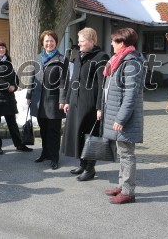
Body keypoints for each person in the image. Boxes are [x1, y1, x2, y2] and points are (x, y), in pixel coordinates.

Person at [102, 28, 145, 204]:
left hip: (125, 119)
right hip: (118, 114)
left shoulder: (131, 63)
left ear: (123, 43)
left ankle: (128, 191)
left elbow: (131, 94)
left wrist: (121, 119)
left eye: (114, 41)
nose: (111, 43)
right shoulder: (120, 60)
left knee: (127, 154)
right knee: (122, 153)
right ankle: (122, 185)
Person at [62, 28, 109, 181]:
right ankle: (82, 164)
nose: (79, 44)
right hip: (76, 102)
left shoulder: (101, 57)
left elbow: (102, 85)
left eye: (82, 41)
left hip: (90, 104)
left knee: (90, 137)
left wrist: (99, 107)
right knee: (78, 135)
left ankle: (90, 169)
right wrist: (68, 100)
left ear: (92, 41)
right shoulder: (77, 56)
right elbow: (72, 80)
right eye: (79, 40)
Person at [27, 30, 69, 170]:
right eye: (46, 41)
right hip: (39, 100)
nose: (49, 43)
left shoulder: (62, 59)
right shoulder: (38, 57)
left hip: (53, 101)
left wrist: (63, 100)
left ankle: (54, 157)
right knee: (43, 130)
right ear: (42, 43)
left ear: (56, 42)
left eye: (51, 40)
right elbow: (32, 78)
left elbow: (64, 81)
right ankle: (44, 153)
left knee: (54, 131)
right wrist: (29, 95)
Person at [0, 40, 33, 155]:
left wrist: (14, 86)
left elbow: (14, 77)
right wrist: (7, 86)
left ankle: (19, 144)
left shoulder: (8, 61)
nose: (1, 49)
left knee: (12, 122)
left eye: (3, 47)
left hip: (9, 98)